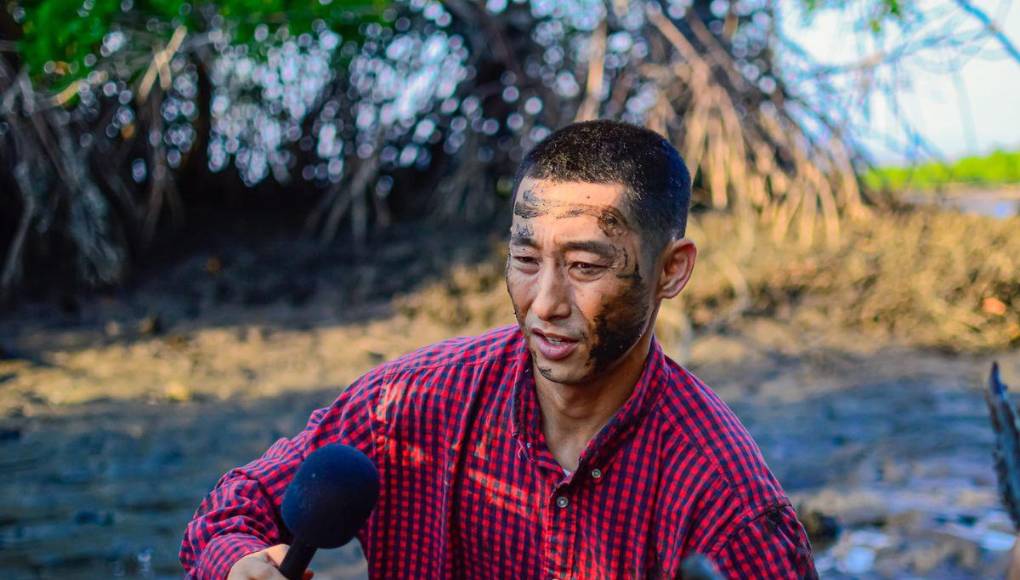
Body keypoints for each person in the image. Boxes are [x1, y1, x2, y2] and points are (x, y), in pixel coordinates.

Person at [180, 120, 817, 579]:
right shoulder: (407, 405)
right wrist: (240, 565)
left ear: (671, 270)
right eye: (526, 259)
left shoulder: (727, 502)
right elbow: (230, 510)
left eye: (585, 266)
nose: (545, 303)